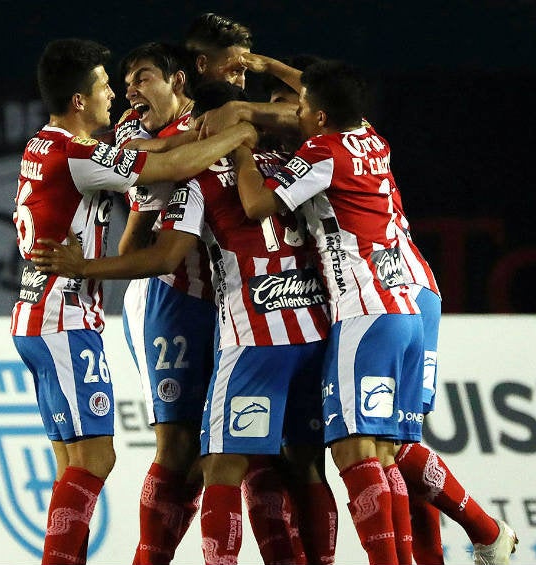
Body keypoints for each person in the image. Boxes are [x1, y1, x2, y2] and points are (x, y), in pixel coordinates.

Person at [30, 80, 337, 565]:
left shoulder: (202, 173)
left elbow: (161, 247)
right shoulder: (303, 162)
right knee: (265, 458)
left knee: (226, 460)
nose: (124, 90)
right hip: (287, 322)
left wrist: (87, 267)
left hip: (246, 326)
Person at [232, 60, 520, 564]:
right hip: (417, 293)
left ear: (316, 114)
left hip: (370, 305)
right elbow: (324, 93)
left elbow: (257, 207)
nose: (288, 116)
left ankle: (466, 537)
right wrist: (264, 64)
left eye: (295, 108)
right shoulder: (369, 135)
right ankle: (479, 535)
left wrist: (237, 138)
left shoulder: (320, 151)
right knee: (397, 444)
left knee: (361, 448)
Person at [12, 38, 257, 565]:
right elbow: (169, 169)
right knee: (96, 460)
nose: (113, 96)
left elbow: (159, 152)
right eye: (104, 86)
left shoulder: (46, 144)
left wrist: (201, 129)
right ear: (79, 99)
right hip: (66, 314)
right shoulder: (78, 154)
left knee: (74, 463)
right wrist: (238, 133)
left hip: (37, 315)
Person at [112, 42, 215, 565]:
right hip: (168, 296)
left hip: (230, 305)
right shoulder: (136, 134)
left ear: (178, 81)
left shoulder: (211, 122)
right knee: (176, 447)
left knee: (223, 452)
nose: (130, 91)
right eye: (125, 81)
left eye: (142, 77)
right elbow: (133, 245)